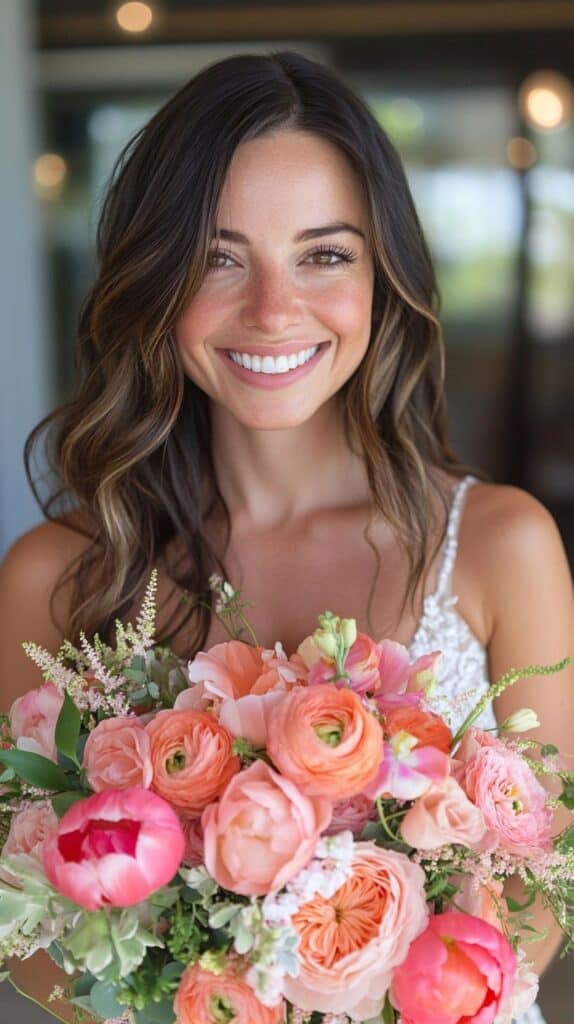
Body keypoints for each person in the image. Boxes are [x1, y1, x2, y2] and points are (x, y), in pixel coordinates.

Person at [0, 51, 572, 1024]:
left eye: (323, 253)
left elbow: (543, 887)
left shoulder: (499, 545)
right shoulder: (60, 578)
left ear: (383, 275)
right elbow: (25, 927)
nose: (273, 309)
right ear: (156, 277)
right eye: (220, 257)